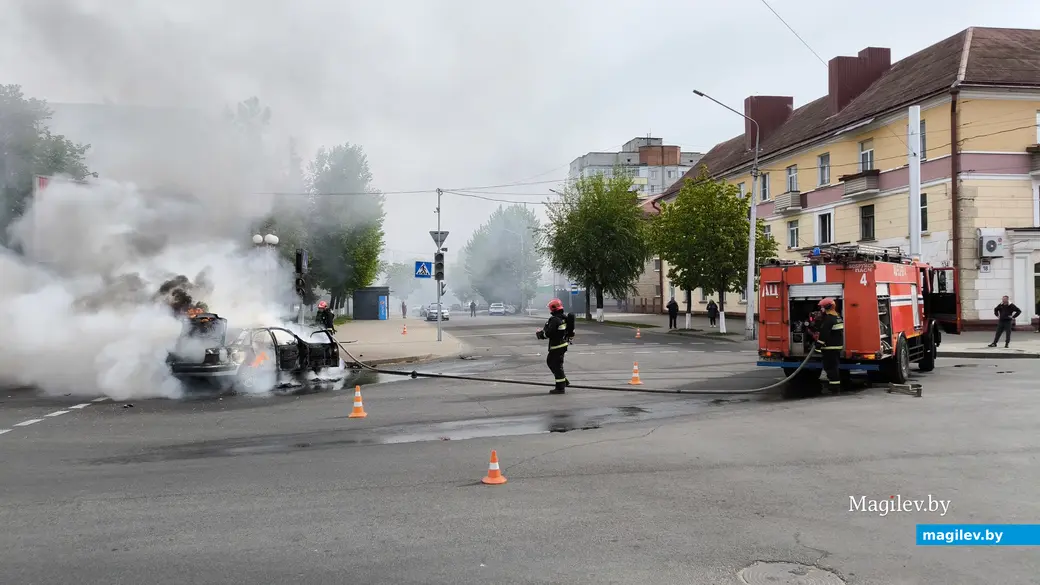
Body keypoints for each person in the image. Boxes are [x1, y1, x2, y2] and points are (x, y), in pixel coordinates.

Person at [536, 298, 574, 394]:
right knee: (552, 363)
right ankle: (563, 381)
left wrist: (540, 334)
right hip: (562, 345)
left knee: (555, 365)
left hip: (557, 346)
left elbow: (549, 333)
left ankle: (560, 388)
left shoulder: (554, 320)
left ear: (552, 308)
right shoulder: (564, 318)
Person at [810, 297, 844, 392]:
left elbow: (824, 334)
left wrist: (818, 346)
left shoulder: (829, 319)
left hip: (830, 347)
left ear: (827, 307)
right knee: (834, 366)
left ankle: (834, 387)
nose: (821, 309)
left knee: (830, 367)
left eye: (822, 307)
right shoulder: (837, 317)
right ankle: (835, 385)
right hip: (836, 346)